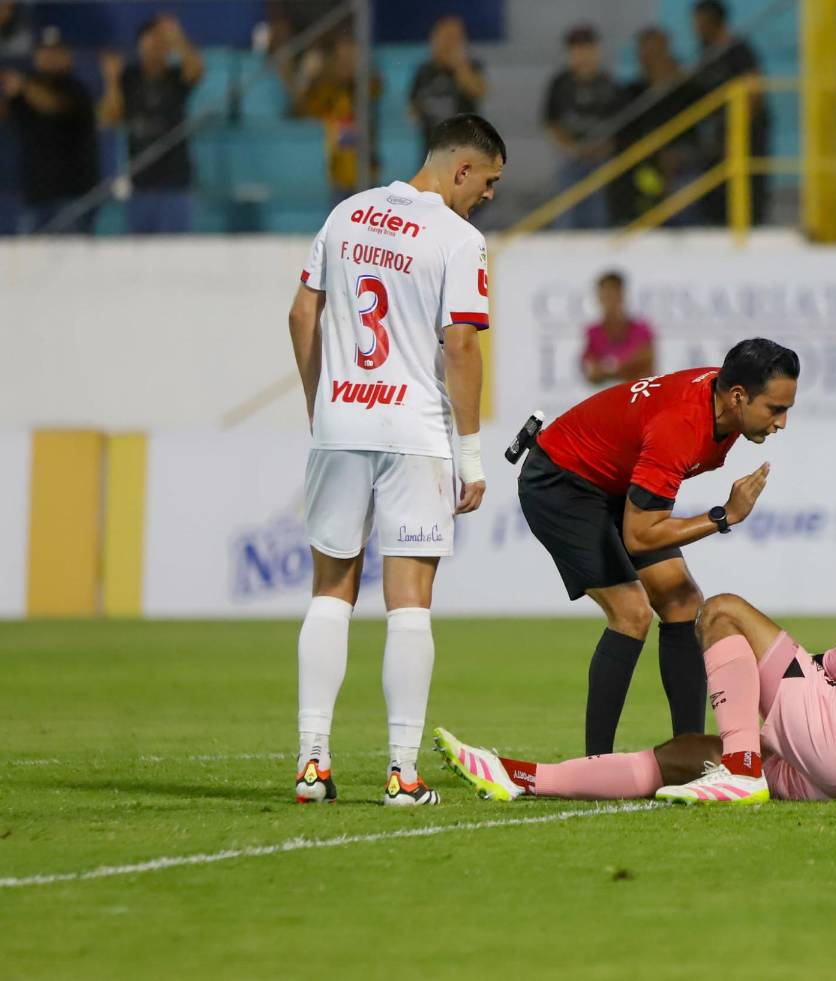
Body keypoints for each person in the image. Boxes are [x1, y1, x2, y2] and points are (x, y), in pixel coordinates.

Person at [434, 465, 836, 804]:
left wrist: (806, 669)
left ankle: (742, 771)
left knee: (722, 611)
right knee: (684, 754)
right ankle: (520, 776)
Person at [287, 113, 504, 806]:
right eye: (489, 181)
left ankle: (312, 764)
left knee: (330, 589)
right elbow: (460, 346)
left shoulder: (347, 213)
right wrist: (471, 454)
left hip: (342, 420)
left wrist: (319, 403)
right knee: (409, 602)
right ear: (461, 169)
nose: (489, 196)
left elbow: (301, 314)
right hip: (414, 432)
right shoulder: (459, 239)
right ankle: (402, 775)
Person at [515, 338, 798, 758]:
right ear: (738, 397)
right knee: (631, 613)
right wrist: (724, 516)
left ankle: (690, 757)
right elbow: (640, 536)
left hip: (612, 480)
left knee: (683, 602)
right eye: (775, 409)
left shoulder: (723, 402)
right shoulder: (681, 426)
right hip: (561, 483)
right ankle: (596, 766)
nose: (782, 422)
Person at [97, 15, 203, 234]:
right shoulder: (129, 78)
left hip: (175, 181)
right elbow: (109, 119)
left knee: (177, 248)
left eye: (160, 41)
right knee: (140, 250)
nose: (155, 46)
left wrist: (177, 37)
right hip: (141, 181)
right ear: (139, 44)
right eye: (150, 40)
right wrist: (111, 81)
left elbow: (196, 70)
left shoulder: (175, 76)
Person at [0, 28, 99, 233]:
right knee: (30, 252)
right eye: (44, 51)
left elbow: (53, 105)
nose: (49, 57)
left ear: (67, 56)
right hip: (36, 194)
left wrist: (23, 87)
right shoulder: (25, 91)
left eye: (56, 51)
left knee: (73, 250)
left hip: (72, 194)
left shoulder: (76, 88)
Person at [612, 26, 706, 225]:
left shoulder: (686, 88)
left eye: (656, 50)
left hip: (683, 159)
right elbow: (625, 134)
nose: (651, 56)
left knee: (686, 182)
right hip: (645, 162)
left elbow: (701, 124)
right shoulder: (633, 92)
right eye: (646, 51)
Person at [691, 0, 771, 226]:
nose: (696, 28)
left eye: (700, 22)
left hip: (745, 134)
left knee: (747, 189)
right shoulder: (705, 52)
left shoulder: (739, 51)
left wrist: (737, 134)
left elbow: (754, 92)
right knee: (716, 194)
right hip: (718, 134)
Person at [542, 24, 624, 229]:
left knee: (598, 209)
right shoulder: (560, 83)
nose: (582, 54)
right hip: (570, 157)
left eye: (587, 48)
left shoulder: (608, 84)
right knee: (567, 206)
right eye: (576, 48)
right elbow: (551, 122)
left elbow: (619, 124)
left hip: (600, 158)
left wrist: (600, 149)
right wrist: (573, 148)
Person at [297, 31, 383, 207]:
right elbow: (308, 108)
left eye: (351, 54)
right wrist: (311, 78)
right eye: (342, 55)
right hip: (339, 171)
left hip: (367, 168)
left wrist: (360, 72)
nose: (347, 60)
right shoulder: (328, 90)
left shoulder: (366, 85)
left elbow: (377, 88)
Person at [409, 15, 487, 160]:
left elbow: (478, 90)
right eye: (445, 37)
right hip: (433, 149)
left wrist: (459, 66)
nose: (448, 43)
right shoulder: (424, 70)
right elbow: (413, 107)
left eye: (454, 38)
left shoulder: (471, 66)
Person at [580, 271, 656, 385]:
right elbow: (592, 373)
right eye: (605, 295)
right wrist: (624, 367)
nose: (609, 301)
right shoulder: (593, 332)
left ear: (622, 295)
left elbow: (646, 364)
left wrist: (608, 368)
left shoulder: (641, 329)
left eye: (612, 295)